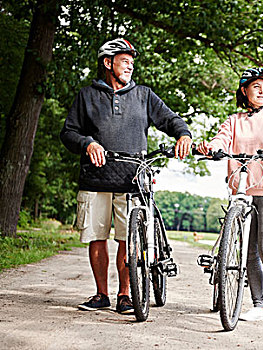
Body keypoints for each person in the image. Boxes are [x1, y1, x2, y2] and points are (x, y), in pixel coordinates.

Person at [60, 38, 192, 314]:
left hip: (132, 179)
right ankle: (100, 294)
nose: (130, 65)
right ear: (108, 63)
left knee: (126, 239)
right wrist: (88, 143)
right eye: (124, 60)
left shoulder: (144, 95)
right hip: (94, 178)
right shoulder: (87, 95)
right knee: (96, 236)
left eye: (132, 61)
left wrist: (183, 134)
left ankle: (125, 295)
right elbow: (68, 133)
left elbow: (170, 119)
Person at [197, 67, 263, 324]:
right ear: (245, 91)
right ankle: (257, 305)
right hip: (243, 190)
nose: (262, 91)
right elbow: (221, 139)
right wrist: (213, 148)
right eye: (256, 86)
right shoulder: (234, 121)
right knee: (248, 252)